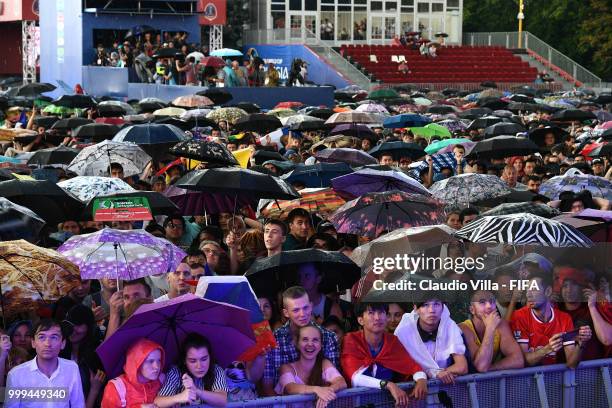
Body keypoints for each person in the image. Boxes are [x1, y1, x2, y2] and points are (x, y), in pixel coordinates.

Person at [341, 303, 428, 406]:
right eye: (371, 313)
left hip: (387, 403)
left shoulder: (392, 341)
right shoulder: (351, 340)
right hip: (357, 403)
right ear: (360, 320)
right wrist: (389, 385)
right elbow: (355, 377)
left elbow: (412, 365)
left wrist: (422, 379)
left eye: (381, 312)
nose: (377, 318)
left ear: (386, 317)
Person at [262, 286, 340, 396]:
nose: (302, 314)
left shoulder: (328, 337)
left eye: (305, 308)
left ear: (311, 306)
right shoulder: (273, 340)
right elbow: (267, 388)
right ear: (286, 313)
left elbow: (334, 381)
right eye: (296, 310)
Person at [510, 272, 592, 367]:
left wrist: (581, 344)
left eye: (534, 289)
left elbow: (572, 364)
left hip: (551, 378)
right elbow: (523, 361)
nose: (528, 295)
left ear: (548, 291)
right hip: (525, 379)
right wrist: (547, 349)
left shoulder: (564, 318)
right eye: (527, 290)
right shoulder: (520, 316)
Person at [5, 319, 85, 408]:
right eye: (41, 337)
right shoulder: (16, 374)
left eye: (54, 337)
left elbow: (78, 405)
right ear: (33, 342)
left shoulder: (72, 368)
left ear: (63, 343)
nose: (47, 343)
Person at [394, 296, 468, 383]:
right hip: (413, 387)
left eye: (436, 304)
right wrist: (434, 373)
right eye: (425, 305)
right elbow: (401, 368)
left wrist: (440, 373)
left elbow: (462, 367)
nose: (432, 310)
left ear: (443, 307)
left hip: (445, 387)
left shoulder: (449, 326)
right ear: (416, 309)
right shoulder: (404, 330)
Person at [275, 324, 346, 406]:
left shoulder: (325, 364)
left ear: (320, 345)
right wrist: (316, 390)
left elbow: (341, 382)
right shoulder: (287, 368)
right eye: (305, 339)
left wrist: (327, 392)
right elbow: (290, 388)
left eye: (315, 340)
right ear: (297, 344)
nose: (310, 344)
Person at [155, 333, 228, 407]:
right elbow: (157, 402)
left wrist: (196, 391)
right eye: (193, 361)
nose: (199, 366)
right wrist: (178, 397)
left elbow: (223, 401)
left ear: (210, 357)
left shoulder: (216, 370)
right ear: (184, 360)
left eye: (204, 359)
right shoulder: (176, 372)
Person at [459, 290, 524, 373]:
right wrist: (490, 328)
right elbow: (481, 366)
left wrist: (490, 368)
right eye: (482, 302)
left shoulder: (501, 325)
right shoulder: (463, 328)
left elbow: (518, 360)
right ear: (472, 310)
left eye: (492, 301)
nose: (489, 306)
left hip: (491, 381)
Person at [61, 305, 106, 408]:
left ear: (88, 327)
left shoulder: (96, 355)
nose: (73, 329)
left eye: (79, 325)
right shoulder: (59, 350)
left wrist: (94, 389)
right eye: (70, 324)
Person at [101, 338, 165, 408]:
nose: (157, 367)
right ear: (136, 361)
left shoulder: (161, 381)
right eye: (150, 361)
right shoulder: (116, 388)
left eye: (159, 360)